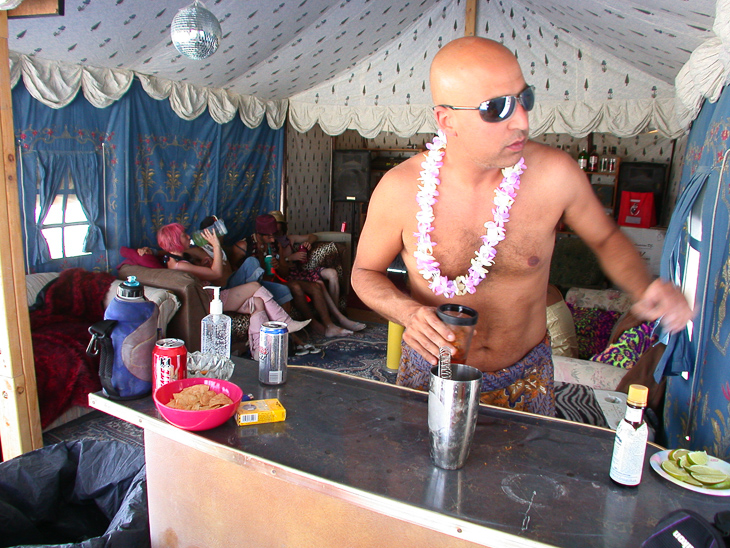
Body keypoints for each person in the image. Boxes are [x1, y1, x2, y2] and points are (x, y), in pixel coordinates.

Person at [351, 36, 694, 417]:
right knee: (415, 474)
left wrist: (645, 288)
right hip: (433, 371)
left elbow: (606, 237)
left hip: (525, 376)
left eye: (524, 99)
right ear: (447, 119)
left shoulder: (554, 175)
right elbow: (365, 272)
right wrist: (407, 312)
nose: (523, 121)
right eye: (496, 108)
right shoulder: (400, 188)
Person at [157, 223, 310, 359]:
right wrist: (216, 245)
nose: (189, 236)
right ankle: (285, 322)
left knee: (257, 302)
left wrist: (204, 265)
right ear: (175, 240)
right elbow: (216, 273)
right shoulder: (179, 265)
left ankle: (257, 350)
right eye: (184, 235)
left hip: (212, 295)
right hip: (211, 299)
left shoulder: (176, 260)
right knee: (255, 287)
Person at [247, 214, 363, 337]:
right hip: (261, 285)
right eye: (270, 236)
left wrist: (278, 265)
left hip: (280, 278)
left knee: (317, 286)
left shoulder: (276, 245)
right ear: (259, 234)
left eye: (275, 234)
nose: (273, 239)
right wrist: (288, 258)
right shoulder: (245, 246)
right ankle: (316, 325)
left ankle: (330, 324)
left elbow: (284, 271)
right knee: (297, 286)